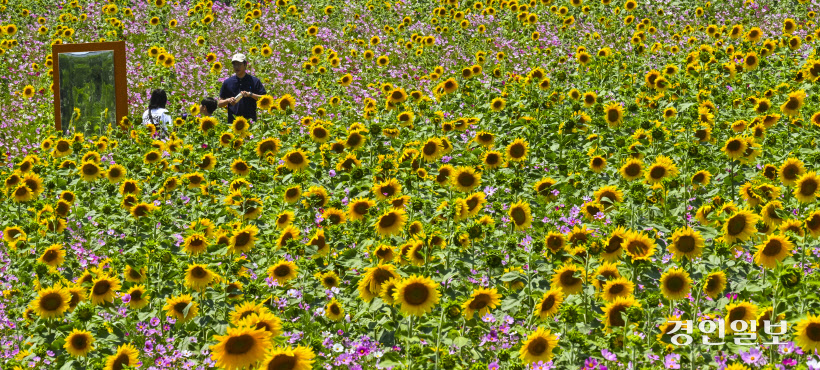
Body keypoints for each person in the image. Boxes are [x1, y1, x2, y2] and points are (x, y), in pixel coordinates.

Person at [218, 53, 266, 124]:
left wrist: (250, 94)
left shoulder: (254, 81)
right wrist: (228, 100)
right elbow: (219, 103)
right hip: (233, 123)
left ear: (245, 65)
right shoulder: (227, 82)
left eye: (239, 64)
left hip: (250, 122)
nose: (236, 67)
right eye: (234, 64)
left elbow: (264, 98)